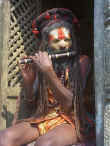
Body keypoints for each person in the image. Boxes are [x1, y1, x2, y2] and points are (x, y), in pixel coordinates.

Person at [0, 8, 95, 146]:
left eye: (66, 40)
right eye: (56, 41)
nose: (63, 45)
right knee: (4, 137)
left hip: (72, 120)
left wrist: (48, 71)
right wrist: (28, 81)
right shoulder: (42, 63)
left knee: (45, 143)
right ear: (47, 44)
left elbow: (70, 103)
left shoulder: (82, 62)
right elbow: (31, 104)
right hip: (44, 118)